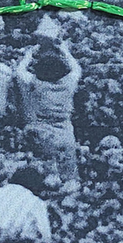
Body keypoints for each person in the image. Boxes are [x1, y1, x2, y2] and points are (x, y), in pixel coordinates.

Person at [16, 39, 82, 183]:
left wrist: (28, 55)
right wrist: (65, 50)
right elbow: (77, 69)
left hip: (42, 133)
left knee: (45, 175)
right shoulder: (69, 83)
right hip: (66, 133)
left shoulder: (36, 84)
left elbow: (20, 72)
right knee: (70, 176)